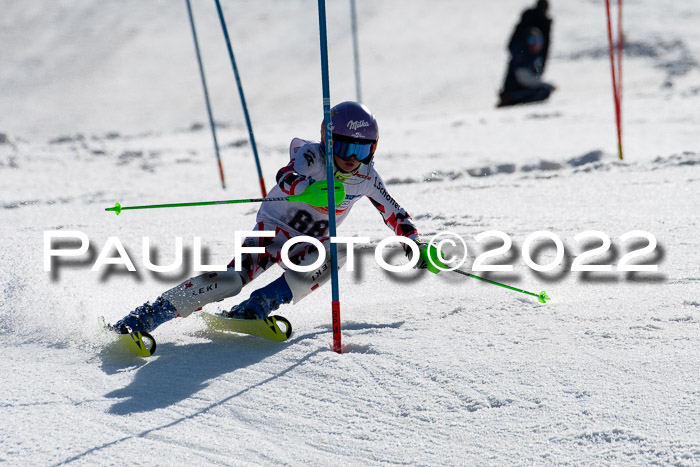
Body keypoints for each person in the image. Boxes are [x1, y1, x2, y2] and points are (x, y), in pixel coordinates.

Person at [109, 101, 437, 335]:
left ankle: (259, 306)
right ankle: (147, 316)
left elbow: (394, 211)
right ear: (328, 140)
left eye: (362, 151)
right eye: (345, 149)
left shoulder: (367, 177)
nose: (352, 160)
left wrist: (414, 241)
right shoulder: (313, 155)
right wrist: (308, 189)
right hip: (272, 232)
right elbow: (286, 176)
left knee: (337, 254)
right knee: (231, 280)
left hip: (307, 247)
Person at [497, 26, 556, 108]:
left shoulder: (536, 57)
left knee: (545, 91)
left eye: (539, 40)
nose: (536, 44)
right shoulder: (521, 55)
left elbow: (537, 76)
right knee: (544, 91)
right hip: (515, 91)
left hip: (527, 89)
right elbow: (524, 78)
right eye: (532, 40)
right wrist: (545, 85)